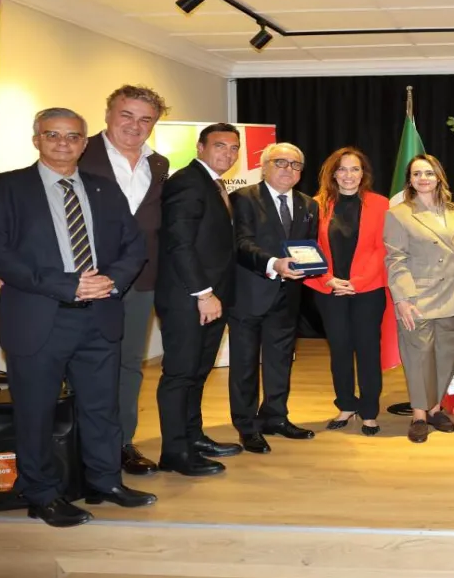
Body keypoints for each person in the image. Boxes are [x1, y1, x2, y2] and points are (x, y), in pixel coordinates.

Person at [0, 108, 156, 528]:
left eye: (73, 136)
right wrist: (65, 284)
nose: (63, 142)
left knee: (101, 408)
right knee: (35, 411)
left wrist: (110, 280)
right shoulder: (1, 189)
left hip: (100, 315)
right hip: (39, 319)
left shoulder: (104, 190)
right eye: (52, 134)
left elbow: (134, 247)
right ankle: (41, 493)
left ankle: (105, 481)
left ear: (84, 141)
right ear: (36, 138)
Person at [78, 85, 171, 477]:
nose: (135, 125)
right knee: (83, 364)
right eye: (126, 115)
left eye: (145, 119)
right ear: (108, 114)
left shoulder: (160, 164)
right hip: (89, 279)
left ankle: (121, 444)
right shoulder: (79, 154)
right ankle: (80, 445)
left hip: (143, 279)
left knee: (129, 364)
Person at [155, 123, 243, 476]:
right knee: (180, 374)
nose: (228, 153)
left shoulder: (212, 184)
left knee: (197, 372)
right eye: (220, 146)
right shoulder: (187, 182)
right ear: (200, 147)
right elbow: (180, 243)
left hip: (210, 297)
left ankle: (193, 437)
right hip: (189, 298)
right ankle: (174, 452)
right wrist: (203, 294)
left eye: (234, 148)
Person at [228, 143, 320, 454]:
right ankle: (247, 425)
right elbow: (240, 243)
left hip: (288, 296)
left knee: (280, 361)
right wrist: (272, 264)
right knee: (245, 364)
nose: (288, 169)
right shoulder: (243, 198)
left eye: (295, 165)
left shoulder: (309, 205)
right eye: (280, 162)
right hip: (250, 293)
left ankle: (275, 417)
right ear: (264, 166)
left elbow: (308, 247)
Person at [304, 147, 391, 437]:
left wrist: (359, 281)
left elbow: (384, 248)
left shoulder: (380, 204)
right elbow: (308, 248)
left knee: (367, 350)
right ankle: (345, 404)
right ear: (332, 173)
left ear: (363, 173)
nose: (349, 175)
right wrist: (328, 278)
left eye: (355, 169)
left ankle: (369, 412)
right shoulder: (316, 205)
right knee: (339, 349)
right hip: (329, 290)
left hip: (368, 289)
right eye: (342, 169)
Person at [383, 154, 454, 444]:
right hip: (418, 297)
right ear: (409, 180)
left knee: (446, 355)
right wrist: (403, 298)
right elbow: (395, 259)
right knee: (418, 357)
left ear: (439, 177)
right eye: (417, 174)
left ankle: (435, 409)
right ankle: (419, 414)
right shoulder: (399, 214)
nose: (423, 178)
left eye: (429, 173)